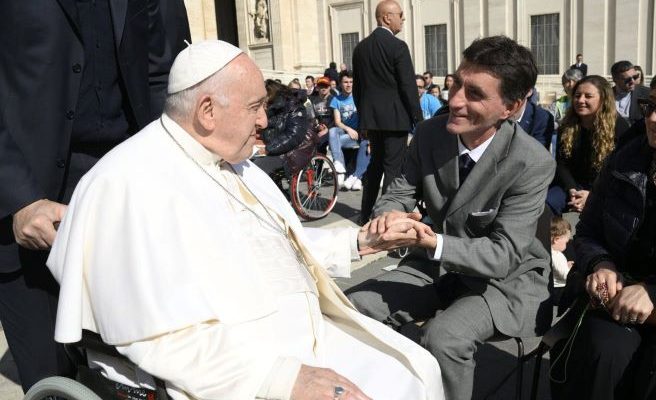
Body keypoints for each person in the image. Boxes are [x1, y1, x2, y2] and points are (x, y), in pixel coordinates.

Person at [46, 40, 443, 400]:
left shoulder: (235, 163)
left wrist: (362, 242)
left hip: (306, 339)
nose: (265, 123)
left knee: (417, 370)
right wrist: (281, 379)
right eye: (255, 107)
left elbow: (281, 248)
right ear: (206, 111)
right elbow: (160, 339)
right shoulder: (126, 183)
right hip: (241, 369)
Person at [347, 35, 556, 400]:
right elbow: (396, 193)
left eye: (474, 93)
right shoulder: (430, 133)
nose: (455, 100)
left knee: (444, 337)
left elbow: (503, 255)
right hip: (435, 264)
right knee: (351, 308)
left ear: (511, 106)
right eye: (456, 83)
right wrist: (390, 217)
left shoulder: (532, 162)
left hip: (505, 281)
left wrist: (431, 241)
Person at [0, 0, 186, 391]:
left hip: (126, 198)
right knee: (55, 382)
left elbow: (158, 74)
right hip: (29, 206)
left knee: (147, 375)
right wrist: (18, 197)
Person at [554, 71, 656, 400]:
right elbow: (587, 232)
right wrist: (601, 264)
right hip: (615, 298)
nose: (654, 119)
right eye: (651, 107)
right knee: (603, 353)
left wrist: (654, 290)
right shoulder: (624, 158)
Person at [352, 0, 423, 224]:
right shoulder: (398, 47)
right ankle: (385, 219)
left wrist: (364, 117)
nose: (403, 18)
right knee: (393, 168)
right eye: (400, 14)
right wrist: (418, 119)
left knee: (375, 165)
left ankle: (365, 215)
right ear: (386, 18)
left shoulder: (360, 48)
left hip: (372, 120)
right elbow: (408, 86)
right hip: (395, 119)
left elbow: (357, 89)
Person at [551, 75, 627, 214]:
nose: (581, 100)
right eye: (577, 95)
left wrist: (592, 195)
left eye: (588, 96)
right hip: (570, 187)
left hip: (605, 189)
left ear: (603, 99)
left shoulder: (619, 127)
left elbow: (620, 170)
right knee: (547, 203)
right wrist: (572, 190)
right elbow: (562, 165)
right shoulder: (566, 126)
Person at [252, 80, 312, 178]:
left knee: (256, 168)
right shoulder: (271, 107)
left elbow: (294, 135)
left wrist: (269, 149)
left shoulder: (293, 106)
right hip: (274, 147)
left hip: (292, 152)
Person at [328, 71, 370, 191]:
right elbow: (337, 121)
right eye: (345, 82)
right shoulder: (336, 99)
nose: (349, 85)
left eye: (351, 82)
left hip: (359, 134)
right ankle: (339, 164)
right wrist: (348, 129)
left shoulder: (359, 97)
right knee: (333, 132)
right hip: (345, 132)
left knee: (334, 143)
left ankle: (351, 176)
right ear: (340, 84)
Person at [611, 60, 650, 128]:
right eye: (627, 79)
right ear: (615, 80)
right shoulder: (605, 96)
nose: (633, 81)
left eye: (635, 77)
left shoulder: (647, 93)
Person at [550, 216, 573, 305]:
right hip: (559, 290)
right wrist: (571, 270)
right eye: (566, 242)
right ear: (556, 240)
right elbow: (566, 276)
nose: (567, 245)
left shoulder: (551, 252)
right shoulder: (557, 256)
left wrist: (566, 265)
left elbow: (558, 269)